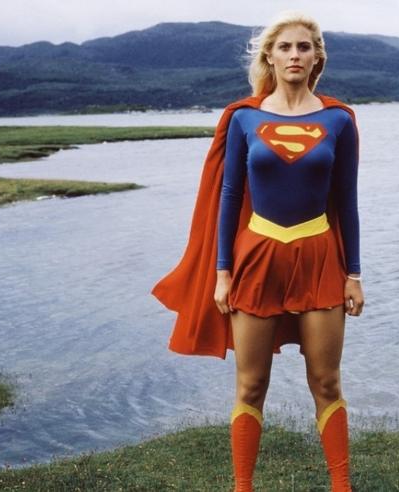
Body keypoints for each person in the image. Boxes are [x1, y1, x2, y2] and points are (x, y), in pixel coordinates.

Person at [151, 10, 363, 492]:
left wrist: (354, 273)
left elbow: (346, 201)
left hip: (319, 258)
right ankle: (242, 487)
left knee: (326, 381)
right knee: (251, 384)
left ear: (317, 57)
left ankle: (342, 487)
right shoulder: (243, 118)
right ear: (270, 56)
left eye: (304, 47)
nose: (295, 55)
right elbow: (228, 197)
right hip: (256, 257)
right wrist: (222, 272)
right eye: (285, 47)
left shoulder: (339, 120)